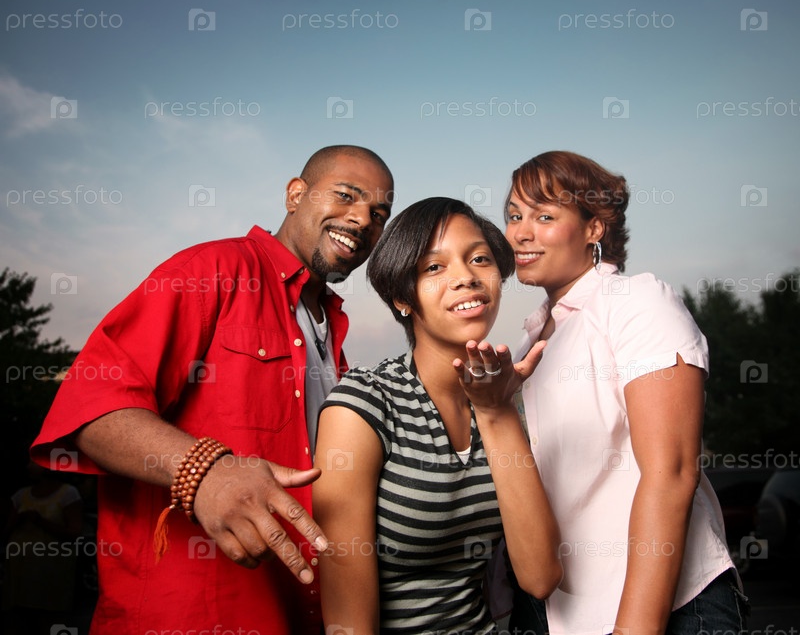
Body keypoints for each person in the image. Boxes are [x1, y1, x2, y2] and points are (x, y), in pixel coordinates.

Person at [30, 145, 394, 635]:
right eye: (346, 196)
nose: (363, 220)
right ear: (295, 195)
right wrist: (205, 472)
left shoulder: (332, 330)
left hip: (294, 612)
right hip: (188, 615)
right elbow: (89, 411)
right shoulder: (211, 270)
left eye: (379, 214)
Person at [504, 151, 749, 634]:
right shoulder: (529, 341)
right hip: (556, 609)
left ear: (594, 228)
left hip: (666, 610)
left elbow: (671, 473)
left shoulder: (635, 300)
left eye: (544, 216)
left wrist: (635, 629)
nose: (520, 233)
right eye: (514, 215)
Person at [312, 197, 563, 635]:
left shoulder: (501, 401)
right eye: (434, 267)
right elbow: (347, 623)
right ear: (402, 298)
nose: (466, 277)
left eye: (479, 259)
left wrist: (495, 411)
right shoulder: (364, 405)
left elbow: (540, 577)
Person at [2, 461, 84, 635]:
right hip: (20, 569)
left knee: (50, 619)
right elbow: (6, 530)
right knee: (19, 617)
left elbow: (74, 532)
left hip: (51, 571)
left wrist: (40, 521)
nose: (28, 466)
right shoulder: (21, 495)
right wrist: (17, 520)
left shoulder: (67, 493)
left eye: (32, 462)